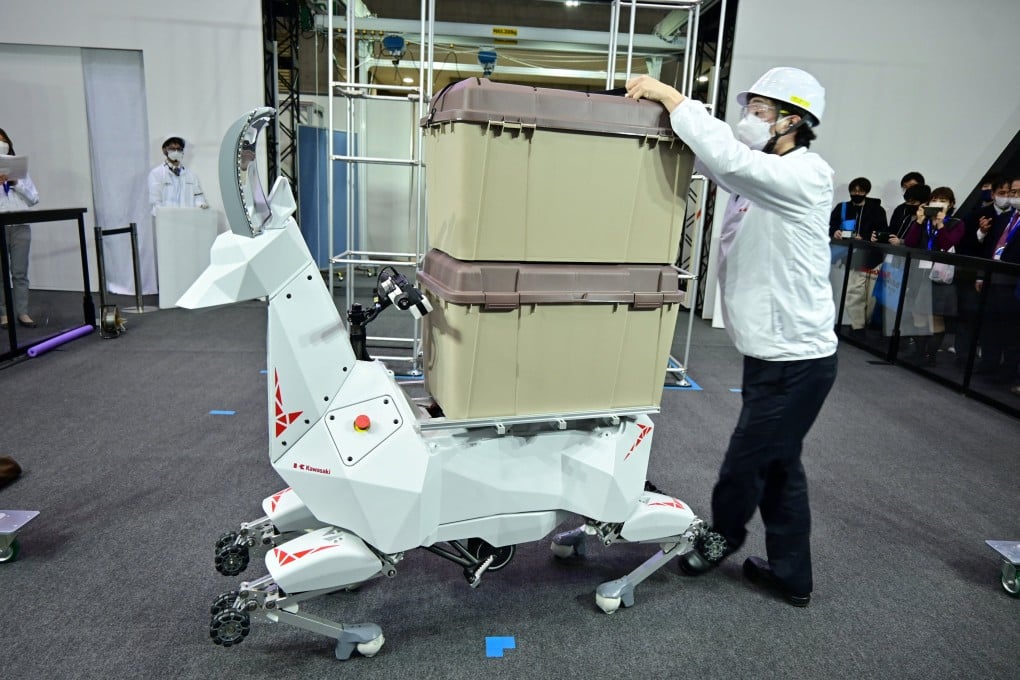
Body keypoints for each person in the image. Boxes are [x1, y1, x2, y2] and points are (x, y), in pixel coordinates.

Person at [626, 67, 838, 607]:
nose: (748, 118)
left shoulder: (805, 174)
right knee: (778, 463)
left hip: (797, 358)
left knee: (749, 460)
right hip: (772, 353)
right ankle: (792, 575)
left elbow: (728, 159)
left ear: (793, 121)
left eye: (760, 110)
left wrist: (672, 96)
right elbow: (713, 156)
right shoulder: (761, 172)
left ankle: (724, 535)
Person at [902, 187, 965, 366]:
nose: (938, 203)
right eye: (935, 199)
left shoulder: (957, 223)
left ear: (951, 204)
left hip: (940, 276)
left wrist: (941, 224)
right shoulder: (924, 222)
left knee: (936, 316)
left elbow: (947, 245)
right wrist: (919, 221)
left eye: (943, 200)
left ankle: (931, 356)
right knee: (917, 314)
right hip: (920, 272)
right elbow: (910, 242)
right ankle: (919, 352)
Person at [829, 177, 888, 335]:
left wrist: (865, 237)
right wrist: (835, 231)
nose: (856, 193)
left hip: (873, 257)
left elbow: (882, 231)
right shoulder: (842, 207)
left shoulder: (877, 210)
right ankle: (858, 327)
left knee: (870, 296)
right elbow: (831, 225)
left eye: (860, 191)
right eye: (853, 190)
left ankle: (864, 325)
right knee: (853, 292)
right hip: (851, 257)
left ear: (866, 192)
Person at [0, 127, 41, 329]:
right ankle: (4, 313)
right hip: (0, 225)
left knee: (20, 271)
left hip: (20, 226)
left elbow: (34, 199)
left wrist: (16, 183)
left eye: (3, 140)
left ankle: (22, 312)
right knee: (1, 274)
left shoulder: (21, 172)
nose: (1, 144)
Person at [147, 135, 209, 215]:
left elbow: (198, 197)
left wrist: (201, 205)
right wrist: (164, 215)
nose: (176, 152)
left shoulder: (191, 175)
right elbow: (155, 200)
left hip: (187, 218)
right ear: (164, 150)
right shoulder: (156, 173)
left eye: (179, 149)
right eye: (172, 149)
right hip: (166, 219)